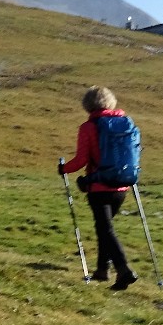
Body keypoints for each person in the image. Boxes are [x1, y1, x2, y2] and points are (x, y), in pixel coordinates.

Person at [58, 86, 138, 290]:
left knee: (105, 228)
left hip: (99, 185)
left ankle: (124, 269)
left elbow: (82, 159)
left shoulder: (89, 126)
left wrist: (64, 169)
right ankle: (103, 270)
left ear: (88, 104)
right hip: (122, 186)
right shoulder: (126, 123)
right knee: (105, 228)